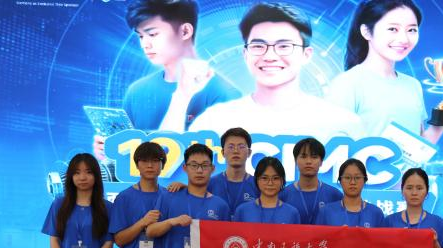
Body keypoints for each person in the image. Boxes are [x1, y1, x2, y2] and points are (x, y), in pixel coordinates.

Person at [189, 2, 363, 143]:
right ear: (245, 54)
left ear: (306, 54)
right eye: (258, 46)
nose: (270, 56)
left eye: (284, 46)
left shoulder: (342, 124)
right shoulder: (214, 123)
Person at [93, 0, 240, 158]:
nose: (145, 44)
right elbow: (129, 159)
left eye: (152, 34)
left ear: (185, 31)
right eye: (141, 36)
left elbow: (227, 164)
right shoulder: (137, 91)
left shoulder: (224, 93)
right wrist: (111, 151)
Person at [326, 0, 443, 143]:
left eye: (411, 30)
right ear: (366, 32)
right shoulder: (347, 84)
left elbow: (418, 146)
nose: (404, 39)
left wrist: (439, 126)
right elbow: (333, 148)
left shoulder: (413, 85)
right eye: (392, 29)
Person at [208, 127, 260, 212]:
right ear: (223, 152)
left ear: (249, 153)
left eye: (241, 147)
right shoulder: (210, 184)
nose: (236, 151)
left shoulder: (258, 185)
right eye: (231, 147)